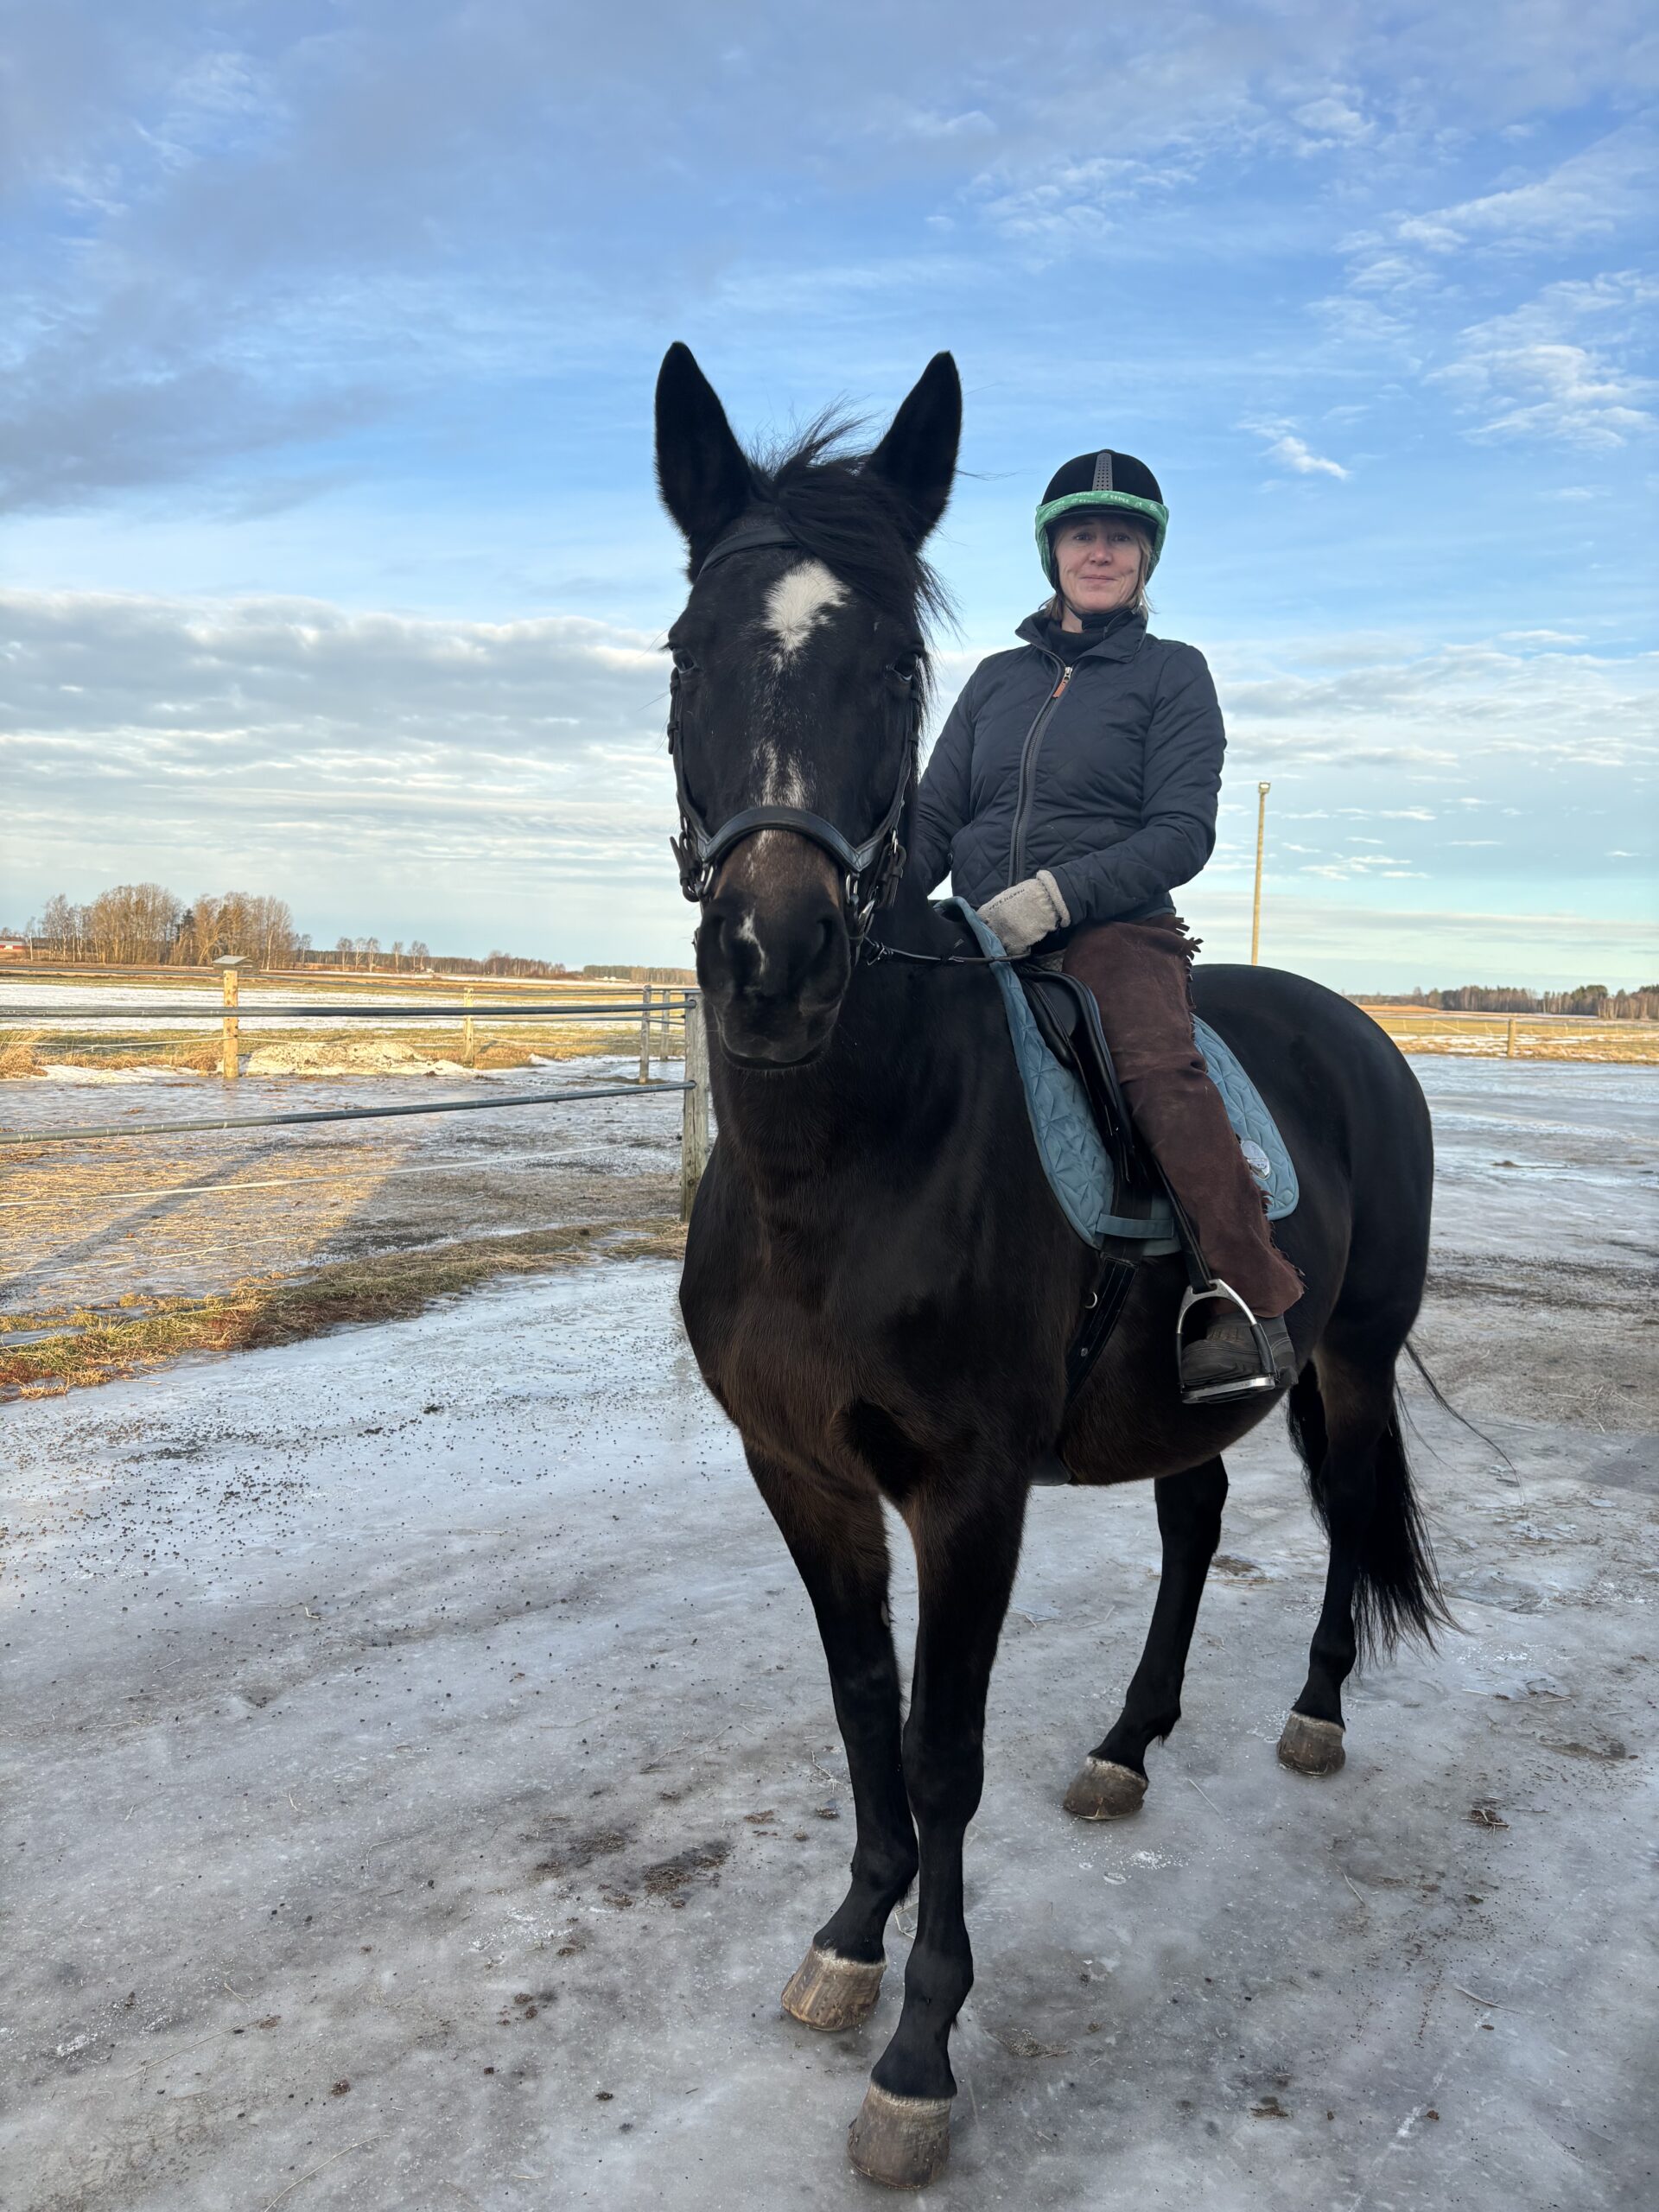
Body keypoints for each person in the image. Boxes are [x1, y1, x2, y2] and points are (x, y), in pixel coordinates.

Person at [910, 448, 1303, 1400]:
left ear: (1145, 560)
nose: (1100, 550)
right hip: (974, 924)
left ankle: (1239, 1297)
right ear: (1053, 551)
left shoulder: (1174, 674)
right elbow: (934, 816)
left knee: (1155, 1065)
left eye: (1121, 537)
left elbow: (1181, 832)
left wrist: (1054, 896)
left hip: (1111, 927)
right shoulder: (998, 680)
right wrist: (872, 900)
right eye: (1083, 533)